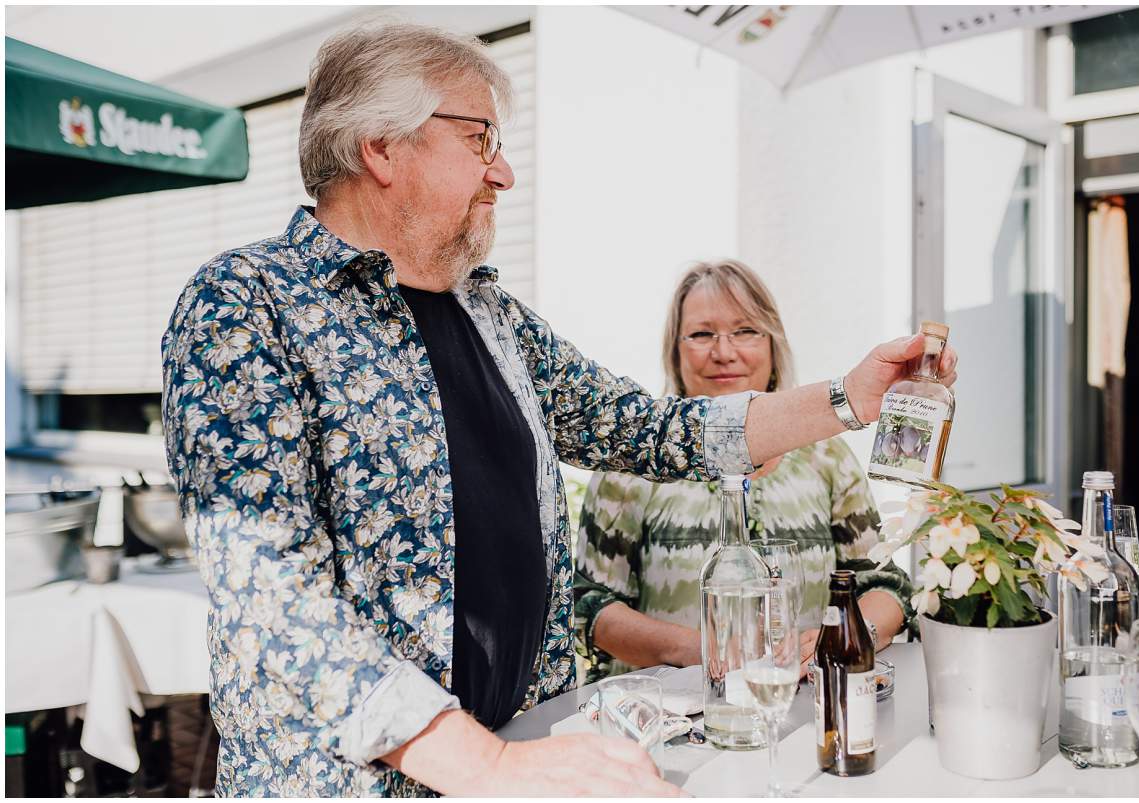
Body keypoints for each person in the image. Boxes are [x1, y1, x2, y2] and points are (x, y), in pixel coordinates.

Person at [160, 22, 958, 798]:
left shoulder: (490, 314)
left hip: (529, 750)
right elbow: (275, 606)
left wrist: (850, 398)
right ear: (381, 147)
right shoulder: (244, 306)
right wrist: (492, 770)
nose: (503, 173)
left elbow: (654, 429)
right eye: (481, 140)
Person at [575, 260, 914, 683]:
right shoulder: (633, 464)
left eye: (746, 331)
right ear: (674, 350)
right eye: (701, 334)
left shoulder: (827, 457)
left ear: (773, 346)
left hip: (800, 714)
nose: (724, 352)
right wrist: (695, 650)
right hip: (670, 721)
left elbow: (883, 585)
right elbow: (589, 604)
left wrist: (849, 634)